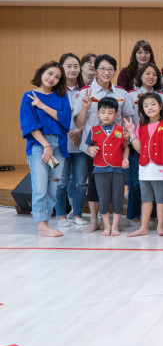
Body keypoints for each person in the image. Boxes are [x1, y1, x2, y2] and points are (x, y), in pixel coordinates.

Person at [73, 54, 128, 228]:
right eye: (102, 68)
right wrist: (85, 108)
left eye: (110, 69)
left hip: (115, 148)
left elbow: (127, 117)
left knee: (114, 187)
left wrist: (127, 133)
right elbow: (78, 123)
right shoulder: (84, 92)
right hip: (92, 149)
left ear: (115, 71)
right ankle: (94, 221)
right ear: (95, 70)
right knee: (94, 185)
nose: (106, 72)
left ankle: (111, 222)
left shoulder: (121, 93)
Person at [20, 60, 71, 237]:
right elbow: (30, 125)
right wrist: (46, 145)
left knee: (54, 186)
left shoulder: (62, 97)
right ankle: (42, 226)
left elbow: (65, 120)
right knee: (40, 187)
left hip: (59, 146)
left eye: (57, 77)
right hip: (39, 146)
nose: (52, 78)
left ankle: (46, 221)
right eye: (50, 73)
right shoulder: (28, 96)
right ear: (41, 73)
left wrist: (42, 106)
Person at [122, 63, 163, 225]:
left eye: (154, 74)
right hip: (139, 148)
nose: (151, 77)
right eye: (147, 73)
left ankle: (156, 221)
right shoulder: (131, 96)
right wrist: (131, 133)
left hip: (160, 154)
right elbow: (126, 118)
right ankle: (137, 218)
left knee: (158, 191)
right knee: (137, 187)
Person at [85, 97, 129, 237]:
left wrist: (125, 159)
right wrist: (91, 149)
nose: (106, 115)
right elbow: (88, 147)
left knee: (117, 197)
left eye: (110, 113)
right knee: (103, 198)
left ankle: (115, 226)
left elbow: (125, 147)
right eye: (103, 112)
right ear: (98, 113)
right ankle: (106, 226)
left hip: (118, 169)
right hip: (100, 169)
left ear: (116, 114)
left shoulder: (120, 130)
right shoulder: (94, 130)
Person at [55, 53, 88, 228]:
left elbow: (88, 118)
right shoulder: (54, 91)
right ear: (61, 67)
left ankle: (77, 214)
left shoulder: (84, 91)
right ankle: (60, 215)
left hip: (81, 144)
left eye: (76, 66)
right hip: (61, 144)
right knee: (61, 181)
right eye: (69, 66)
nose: (73, 69)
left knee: (81, 182)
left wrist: (79, 132)